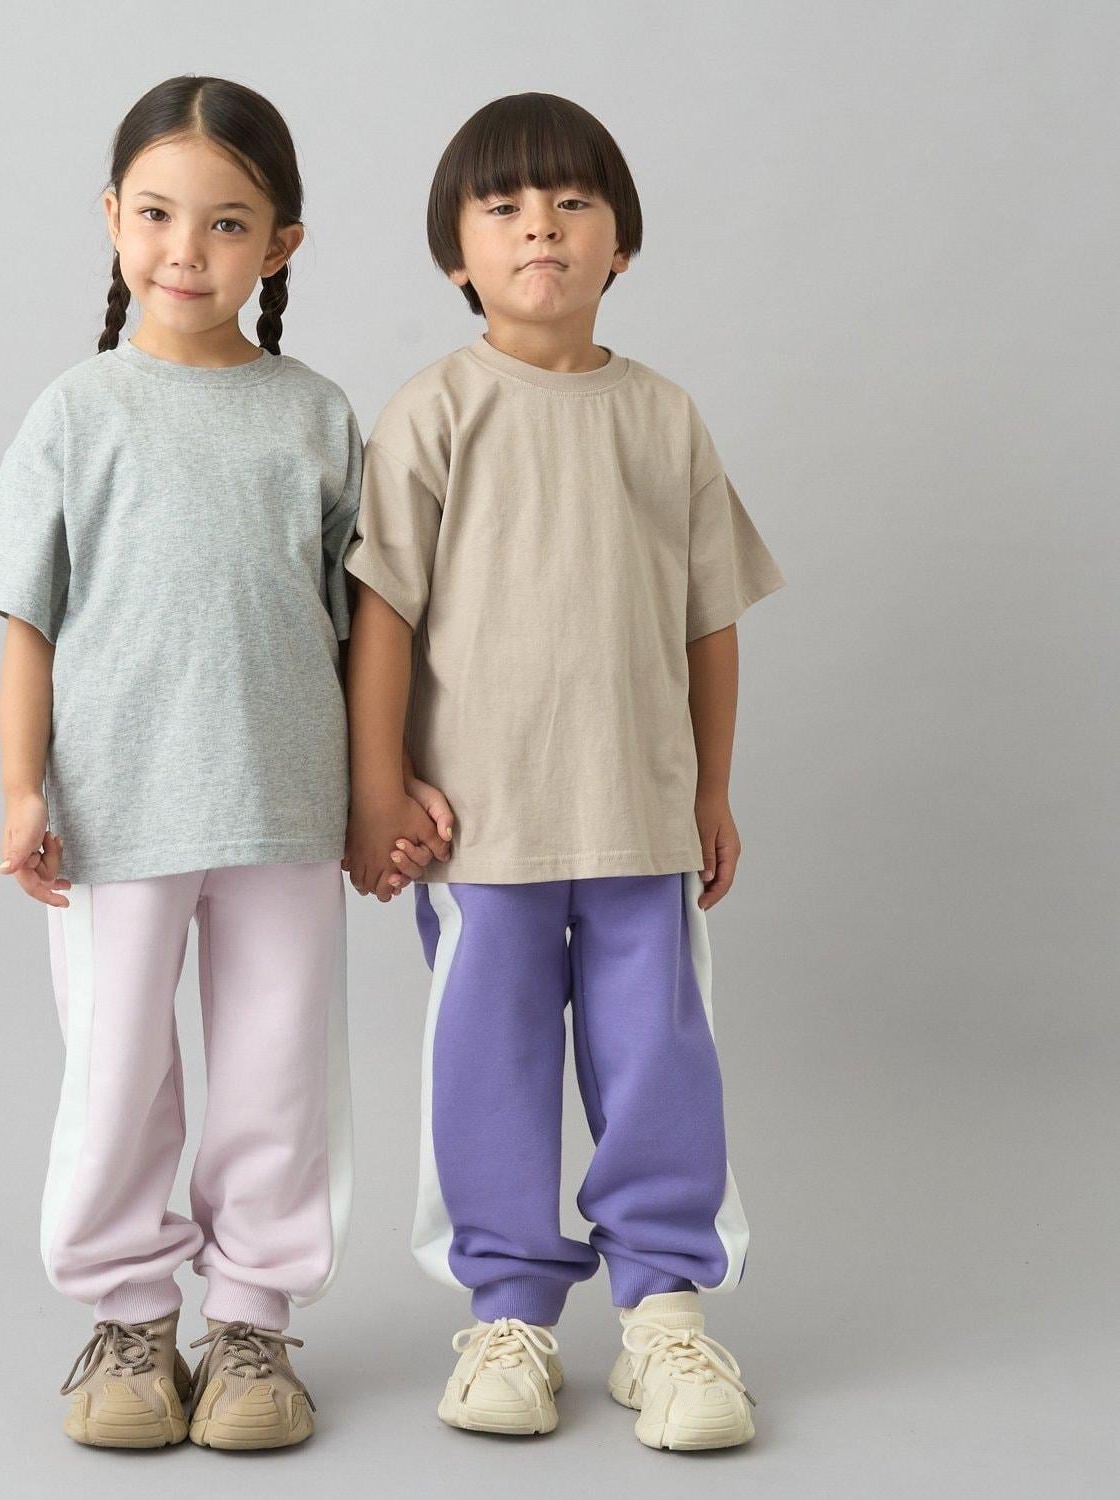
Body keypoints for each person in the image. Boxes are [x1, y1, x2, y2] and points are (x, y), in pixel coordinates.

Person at [0, 75, 450, 1453]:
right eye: (159, 215)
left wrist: (383, 788)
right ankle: (127, 1317)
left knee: (279, 1072)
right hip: (116, 814)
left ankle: (252, 1326)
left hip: (286, 806)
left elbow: (372, 631)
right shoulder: (77, 411)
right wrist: (21, 788)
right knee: (116, 1073)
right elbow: (29, 620)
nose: (187, 250)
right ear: (113, 218)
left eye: (227, 223)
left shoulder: (317, 416)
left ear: (281, 244)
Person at [343, 92, 784, 1450]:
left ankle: (664, 1314)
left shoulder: (664, 418)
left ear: (620, 245)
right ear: (456, 255)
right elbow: (381, 615)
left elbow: (710, 620)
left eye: (572, 203)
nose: (541, 226)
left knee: (659, 1062)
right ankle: (507, 1315)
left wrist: (709, 790)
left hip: (640, 817)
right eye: (506, 207)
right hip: (484, 830)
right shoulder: (434, 414)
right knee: (490, 1064)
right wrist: (376, 786)